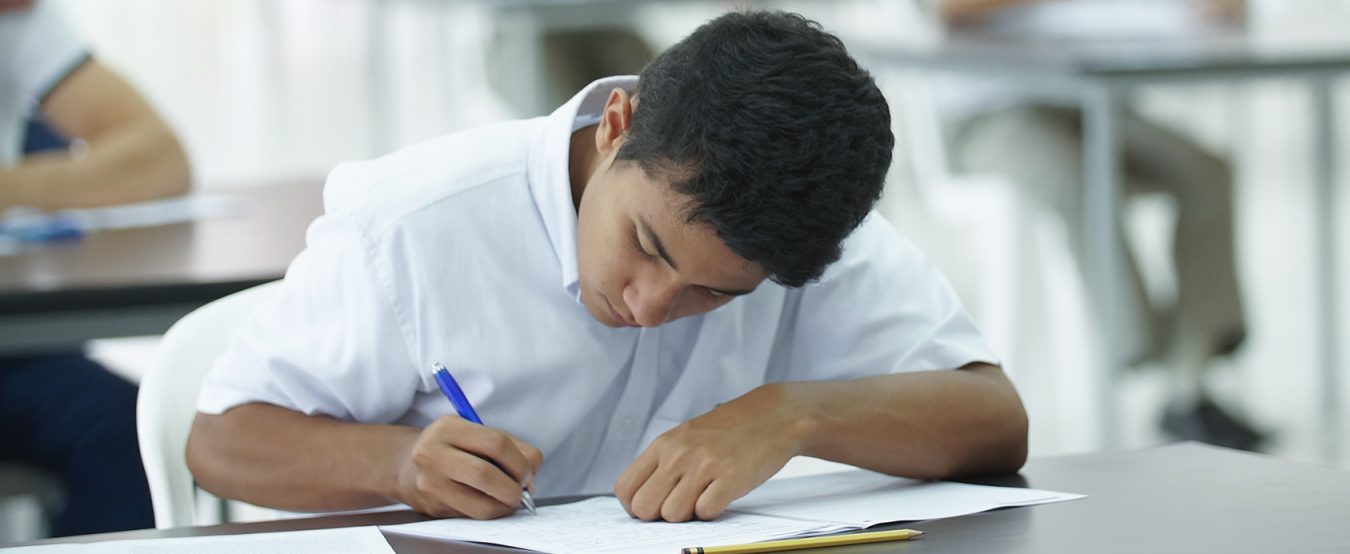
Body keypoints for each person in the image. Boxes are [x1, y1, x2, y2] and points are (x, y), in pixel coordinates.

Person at [186, 11, 1030, 523]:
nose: (652, 305)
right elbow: (221, 440)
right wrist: (399, 466)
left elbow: (994, 419)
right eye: (648, 246)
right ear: (617, 126)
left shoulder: (793, 221)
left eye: (715, 293)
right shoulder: (414, 224)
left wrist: (793, 415)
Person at [935, 0, 1262, 450]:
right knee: (1081, 180)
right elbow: (951, 10)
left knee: (1206, 173)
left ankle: (1190, 374)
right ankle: (1151, 354)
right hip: (994, 110)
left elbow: (1226, 10)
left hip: (1093, 99)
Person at [0, 0, 191, 536]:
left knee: (133, 431)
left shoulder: (15, 18)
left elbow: (160, 157)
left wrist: (11, 186)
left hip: (13, 354)